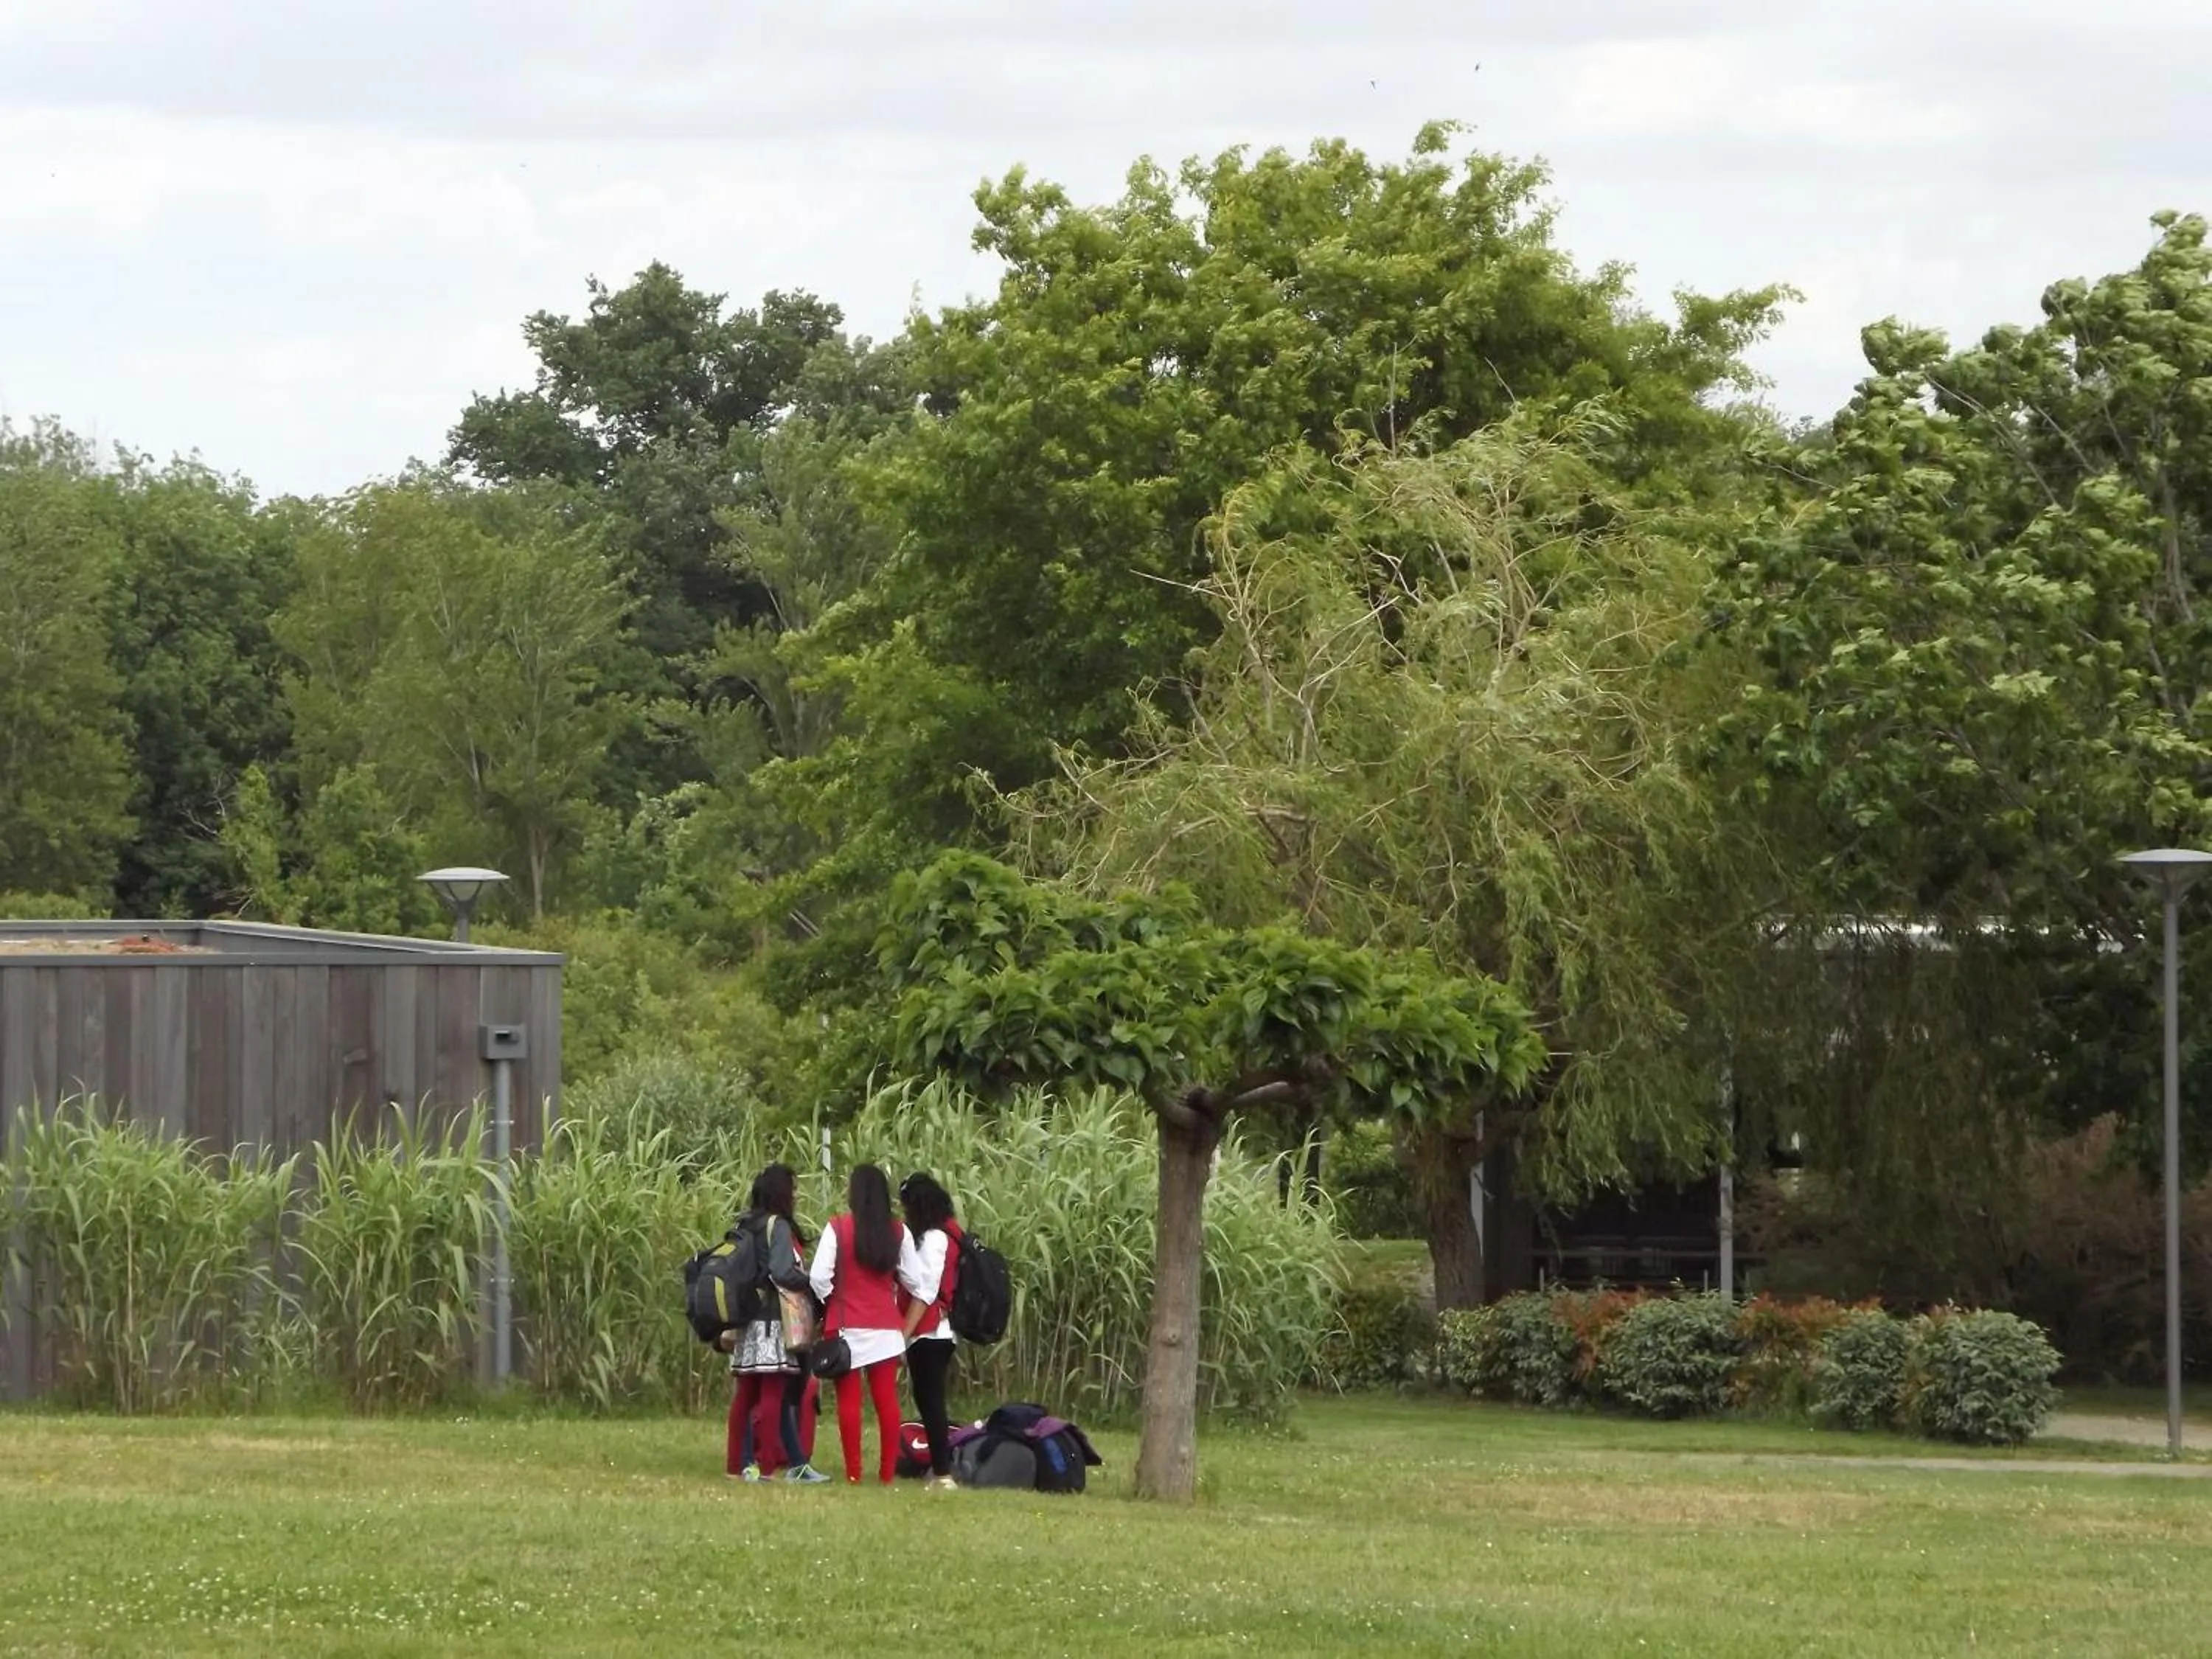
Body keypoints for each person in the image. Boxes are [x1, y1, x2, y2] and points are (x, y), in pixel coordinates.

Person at [808, 1162, 930, 1484]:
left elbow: (819, 1277)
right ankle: (887, 1473)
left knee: (850, 1402)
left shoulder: (838, 1227)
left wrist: (832, 1298)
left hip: (846, 1324)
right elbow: (916, 1280)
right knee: (886, 1401)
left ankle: (853, 1473)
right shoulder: (898, 1232)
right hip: (886, 1327)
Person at [720, 1164, 831, 1484]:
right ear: (782, 1192)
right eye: (793, 1189)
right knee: (773, 1392)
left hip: (745, 1319)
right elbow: (781, 1272)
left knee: (746, 1394)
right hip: (773, 1320)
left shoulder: (744, 1224)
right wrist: (810, 1281)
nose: (796, 1195)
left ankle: (738, 1465)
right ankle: (766, 1467)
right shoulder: (777, 1226)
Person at [899, 1172, 961, 1492]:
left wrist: (904, 1333)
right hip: (928, 1333)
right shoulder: (938, 1235)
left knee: (933, 1402)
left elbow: (926, 1290)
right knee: (927, 1400)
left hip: (932, 1333)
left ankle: (943, 1472)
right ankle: (939, 1468)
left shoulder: (936, 1239)